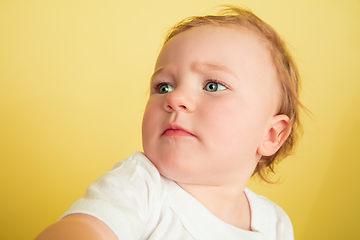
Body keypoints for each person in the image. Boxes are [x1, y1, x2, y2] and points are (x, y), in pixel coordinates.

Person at [36, 5, 304, 240]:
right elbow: (87, 227)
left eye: (212, 85)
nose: (175, 97)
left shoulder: (275, 224)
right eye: (163, 87)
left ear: (270, 135)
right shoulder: (140, 187)